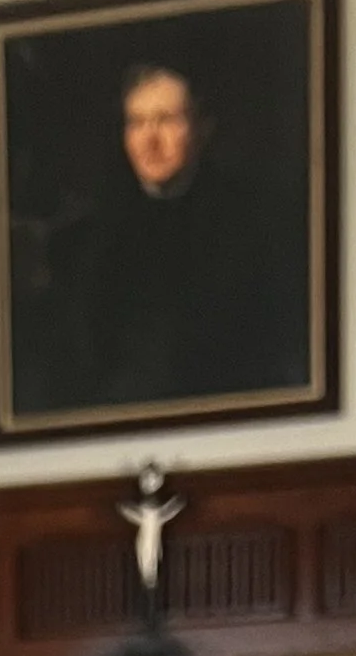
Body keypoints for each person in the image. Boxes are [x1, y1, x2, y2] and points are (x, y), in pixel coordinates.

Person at [19, 59, 301, 419]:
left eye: (167, 120)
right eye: (137, 123)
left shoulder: (252, 226)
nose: (150, 140)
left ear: (203, 127)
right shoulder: (87, 238)